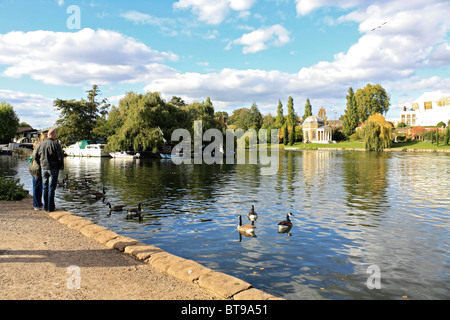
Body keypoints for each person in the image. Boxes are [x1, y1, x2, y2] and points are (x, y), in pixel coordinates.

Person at [35, 129, 64, 212]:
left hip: (44, 168)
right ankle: (50, 207)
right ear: (54, 135)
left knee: (45, 187)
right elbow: (60, 157)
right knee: (51, 187)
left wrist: (40, 165)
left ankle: (46, 206)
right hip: (53, 168)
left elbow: (36, 157)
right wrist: (60, 166)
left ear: (47, 135)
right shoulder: (56, 144)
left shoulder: (40, 145)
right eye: (55, 135)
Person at [29, 134, 47, 210]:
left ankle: (37, 203)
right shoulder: (40, 148)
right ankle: (37, 205)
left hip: (33, 168)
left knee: (36, 187)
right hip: (37, 169)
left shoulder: (37, 147)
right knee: (37, 187)